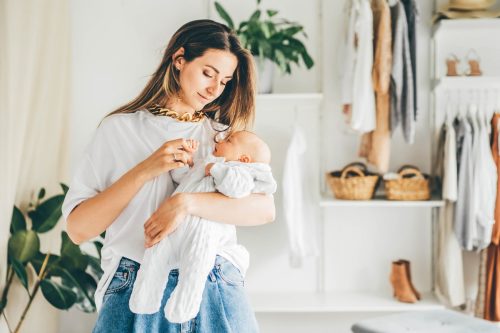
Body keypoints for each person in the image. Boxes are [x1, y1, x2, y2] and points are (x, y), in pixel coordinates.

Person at [62, 19, 275, 333]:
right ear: (179, 60)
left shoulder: (222, 139)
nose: (215, 89)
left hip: (213, 281)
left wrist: (185, 203)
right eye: (208, 73)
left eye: (225, 80)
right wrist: (146, 168)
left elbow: (264, 210)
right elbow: (78, 230)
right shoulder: (119, 130)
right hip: (136, 285)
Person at [130, 130, 277, 324]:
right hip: (175, 226)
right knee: (155, 256)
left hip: (204, 232)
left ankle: (184, 306)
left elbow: (236, 188)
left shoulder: (240, 171)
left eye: (229, 140)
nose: (221, 139)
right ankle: (144, 300)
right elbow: (184, 178)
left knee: (195, 266)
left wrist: (216, 169)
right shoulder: (207, 162)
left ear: (243, 158)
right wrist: (187, 162)